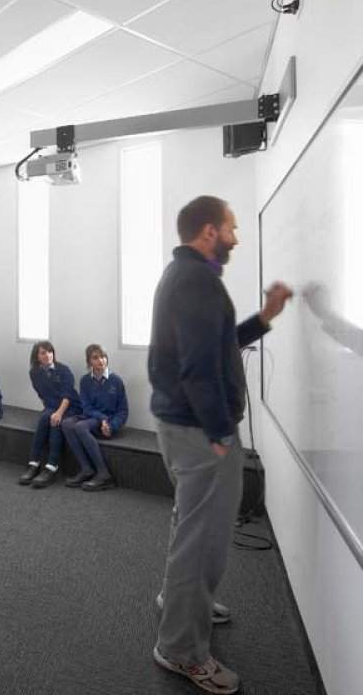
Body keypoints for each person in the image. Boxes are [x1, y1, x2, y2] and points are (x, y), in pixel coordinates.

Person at [148, 195, 291, 694]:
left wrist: (265, 317)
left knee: (191, 525)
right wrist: (218, 434)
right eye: (231, 228)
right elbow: (198, 369)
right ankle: (182, 650)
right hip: (198, 432)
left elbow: (214, 343)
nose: (236, 236)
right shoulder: (197, 281)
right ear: (208, 231)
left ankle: (181, 600)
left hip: (180, 426)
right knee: (202, 539)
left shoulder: (186, 276)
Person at [60, 344, 127, 492]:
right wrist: (101, 417)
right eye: (95, 357)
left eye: (103, 357)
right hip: (92, 416)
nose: (100, 360)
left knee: (79, 426)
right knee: (66, 423)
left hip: (107, 422)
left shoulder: (116, 381)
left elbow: (123, 411)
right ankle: (87, 469)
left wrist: (111, 425)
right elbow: (87, 407)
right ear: (89, 362)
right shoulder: (85, 381)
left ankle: (104, 474)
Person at [18, 341, 81, 488]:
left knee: (55, 423)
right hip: (52, 406)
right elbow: (42, 394)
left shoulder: (64, 370)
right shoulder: (34, 372)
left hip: (70, 406)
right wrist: (49, 410)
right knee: (44, 418)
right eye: (43, 352)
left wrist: (58, 413)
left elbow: (68, 395)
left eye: (50, 351)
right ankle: (33, 464)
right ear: (36, 356)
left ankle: (52, 467)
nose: (47, 355)